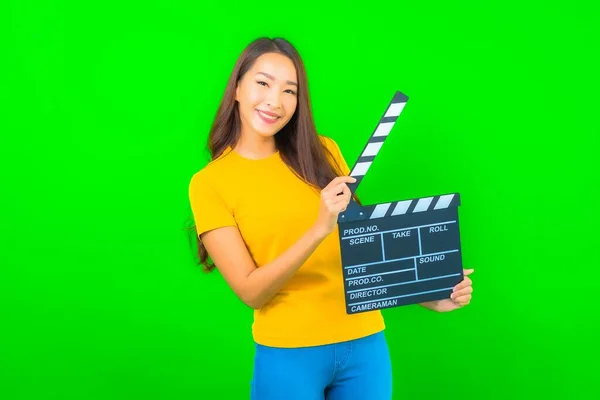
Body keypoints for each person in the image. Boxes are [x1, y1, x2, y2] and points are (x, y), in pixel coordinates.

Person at [188, 37, 474, 400]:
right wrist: (319, 228)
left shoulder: (323, 152)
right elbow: (251, 291)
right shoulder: (210, 184)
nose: (275, 101)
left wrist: (428, 294)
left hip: (364, 343)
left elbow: (361, 246)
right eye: (263, 83)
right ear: (238, 88)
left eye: (290, 91)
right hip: (289, 352)